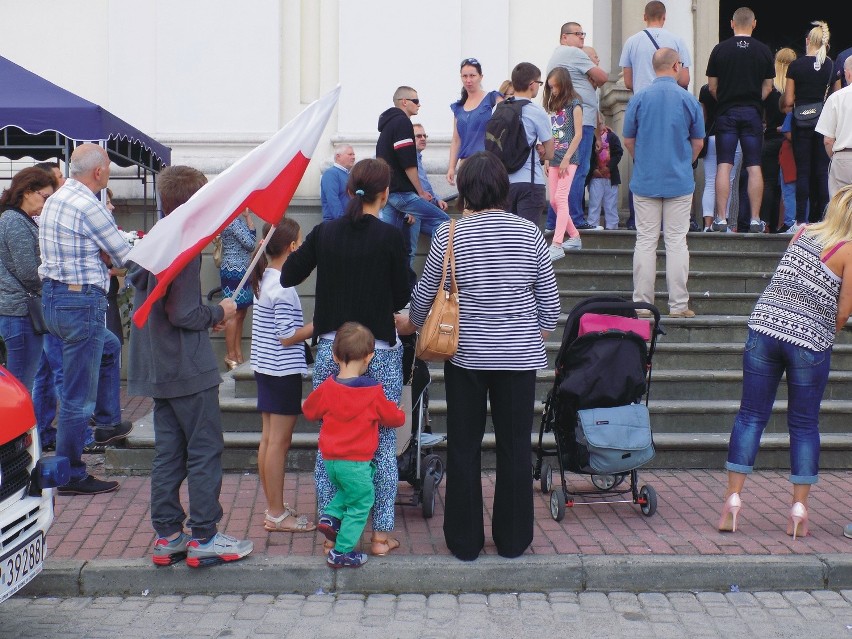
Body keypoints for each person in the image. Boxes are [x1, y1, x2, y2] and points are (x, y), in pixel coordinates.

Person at [399, 151, 560, 561]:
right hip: (520, 358)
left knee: (465, 446)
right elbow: (552, 308)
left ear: (467, 191)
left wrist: (411, 323)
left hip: (466, 356)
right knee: (514, 447)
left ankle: (465, 542)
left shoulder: (449, 235)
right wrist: (529, 327)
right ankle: (512, 539)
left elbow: (426, 297)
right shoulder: (529, 233)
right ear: (503, 189)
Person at [281, 158, 410, 557]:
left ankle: (331, 532)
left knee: (331, 446)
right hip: (381, 354)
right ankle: (380, 535)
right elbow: (404, 295)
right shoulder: (390, 237)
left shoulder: (324, 233)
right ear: (384, 194)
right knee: (383, 445)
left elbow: (288, 276)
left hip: (333, 354)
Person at [127, 165, 252, 568]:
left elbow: (169, 308)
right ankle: (205, 536)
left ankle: (168, 535)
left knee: (169, 452)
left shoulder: (156, 239)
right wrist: (220, 309)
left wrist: (204, 312)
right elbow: (182, 312)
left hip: (160, 366)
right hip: (185, 366)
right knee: (203, 450)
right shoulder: (182, 246)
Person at [719, 185, 852, 540]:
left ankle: (732, 500)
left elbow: (787, 280)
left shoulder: (803, 231)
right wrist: (826, 328)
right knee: (804, 425)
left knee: (750, 415)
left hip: (764, 327)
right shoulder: (850, 251)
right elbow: (844, 310)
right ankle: (798, 509)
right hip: (808, 340)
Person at [39, 143, 131, 495]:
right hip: (81, 302)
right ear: (98, 172)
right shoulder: (88, 206)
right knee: (78, 398)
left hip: (55, 299)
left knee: (108, 348)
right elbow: (122, 254)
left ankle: (107, 422)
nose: (109, 171)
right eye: (108, 166)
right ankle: (72, 472)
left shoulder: (57, 199)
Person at [304, 322, 405, 569]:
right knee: (361, 502)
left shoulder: (328, 387)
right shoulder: (372, 392)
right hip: (357, 461)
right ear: (370, 356)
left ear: (335, 356)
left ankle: (331, 515)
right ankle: (342, 551)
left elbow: (309, 411)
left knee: (347, 492)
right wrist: (399, 413)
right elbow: (392, 419)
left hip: (331, 460)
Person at [623, 48, 704, 319]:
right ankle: (678, 304)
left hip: (645, 179)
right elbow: (698, 142)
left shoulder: (639, 98)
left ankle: (642, 305)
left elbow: (628, 140)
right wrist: (686, 162)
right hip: (679, 180)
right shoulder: (688, 99)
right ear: (677, 66)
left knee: (645, 242)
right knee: (677, 242)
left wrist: (641, 159)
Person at [249, 218, 316, 533]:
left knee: (268, 439)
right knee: (278, 442)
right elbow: (288, 336)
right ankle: (276, 513)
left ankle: (273, 505)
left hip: (266, 368)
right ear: (291, 247)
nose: (301, 247)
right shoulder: (283, 287)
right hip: (282, 370)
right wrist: (322, 322)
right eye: (299, 242)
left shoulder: (265, 280)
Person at [706, 6, 775, 234]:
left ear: (732, 23)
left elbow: (712, 86)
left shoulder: (719, 50)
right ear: (754, 24)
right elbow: (769, 86)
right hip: (752, 113)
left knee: (724, 165)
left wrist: (725, 99)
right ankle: (755, 220)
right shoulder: (764, 50)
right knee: (754, 166)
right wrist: (755, 100)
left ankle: (722, 219)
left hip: (726, 112)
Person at [546, 22, 609, 231]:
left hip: (564, 119)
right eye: (577, 34)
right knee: (577, 170)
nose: (582, 38)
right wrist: (592, 74)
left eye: (583, 34)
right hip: (579, 119)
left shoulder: (559, 54)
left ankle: (554, 222)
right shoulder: (573, 53)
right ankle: (574, 219)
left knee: (561, 170)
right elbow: (603, 77)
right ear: (564, 37)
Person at [0, 167, 58, 392]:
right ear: (27, 192)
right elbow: (28, 271)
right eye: (45, 197)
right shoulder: (14, 221)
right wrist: (53, 287)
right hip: (20, 313)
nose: (46, 203)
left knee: (20, 384)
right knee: (19, 387)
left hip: (21, 312)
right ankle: (15, 428)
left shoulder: (18, 219)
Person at [376, 86, 449, 260]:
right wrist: (421, 192)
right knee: (447, 225)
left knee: (389, 244)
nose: (419, 105)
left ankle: (389, 284)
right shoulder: (402, 122)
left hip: (390, 195)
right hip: (402, 193)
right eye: (415, 101)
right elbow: (408, 162)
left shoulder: (387, 127)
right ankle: (447, 266)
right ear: (404, 102)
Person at [783, 20, 834, 225]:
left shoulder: (796, 65)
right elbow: (836, 96)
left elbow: (787, 101)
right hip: (825, 122)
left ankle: (800, 220)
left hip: (801, 122)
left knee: (803, 171)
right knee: (822, 171)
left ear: (807, 41)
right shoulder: (830, 64)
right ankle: (824, 220)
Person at [504, 62, 554, 225]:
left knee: (506, 240)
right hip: (530, 183)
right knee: (528, 240)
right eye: (539, 83)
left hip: (503, 184)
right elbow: (551, 152)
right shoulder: (536, 111)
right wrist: (538, 150)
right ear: (532, 85)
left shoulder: (498, 109)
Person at [543, 65, 583, 259]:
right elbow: (550, 134)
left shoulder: (575, 104)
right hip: (554, 158)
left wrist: (567, 158)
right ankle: (574, 235)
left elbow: (578, 134)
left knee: (560, 198)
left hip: (569, 158)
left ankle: (557, 243)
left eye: (555, 86)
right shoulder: (553, 106)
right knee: (553, 202)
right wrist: (547, 159)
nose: (553, 90)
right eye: (550, 87)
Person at [446, 58, 502, 186]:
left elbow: (506, 120)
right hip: (466, 165)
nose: (468, 80)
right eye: (464, 76)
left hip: (486, 163)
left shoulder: (492, 98)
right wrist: (451, 167)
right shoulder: (458, 107)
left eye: (472, 76)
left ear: (480, 77)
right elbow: (456, 139)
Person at [619, 1, 691, 93]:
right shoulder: (677, 41)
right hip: (669, 98)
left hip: (643, 100)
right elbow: (684, 80)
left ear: (645, 17)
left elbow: (628, 82)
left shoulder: (631, 42)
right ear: (664, 17)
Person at [219, 208, 256, 369]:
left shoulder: (235, 219)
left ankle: (238, 353)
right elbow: (250, 244)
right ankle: (231, 355)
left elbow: (250, 240)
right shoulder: (233, 221)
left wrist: (247, 217)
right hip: (234, 271)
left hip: (242, 270)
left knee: (241, 313)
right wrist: (248, 218)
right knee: (233, 314)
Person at [411, 123, 449, 264]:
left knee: (442, 229)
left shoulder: (418, 158)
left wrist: (437, 199)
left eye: (424, 136)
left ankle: (437, 267)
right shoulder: (408, 158)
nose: (423, 138)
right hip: (413, 208)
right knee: (445, 225)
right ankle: (437, 267)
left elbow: (425, 184)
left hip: (422, 208)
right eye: (418, 136)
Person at [816, 56, 852, 197]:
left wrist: (837, 157)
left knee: (840, 210)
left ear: (848, 73)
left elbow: (828, 140)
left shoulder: (836, 97)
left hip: (843, 157)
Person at [587, 119, 624, 230]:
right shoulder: (591, 138)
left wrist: (609, 167)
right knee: (594, 203)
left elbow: (618, 153)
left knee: (611, 204)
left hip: (610, 177)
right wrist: (593, 169)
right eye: (596, 125)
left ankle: (612, 227)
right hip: (596, 177)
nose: (599, 127)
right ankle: (592, 225)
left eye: (600, 124)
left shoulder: (612, 137)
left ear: (604, 123)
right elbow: (588, 155)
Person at [320, 144, 355, 222]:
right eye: (350, 154)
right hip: (335, 224)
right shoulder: (331, 174)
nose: (353, 157)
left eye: (353, 154)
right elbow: (333, 200)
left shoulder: (348, 174)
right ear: (338, 156)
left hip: (347, 222)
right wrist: (343, 221)